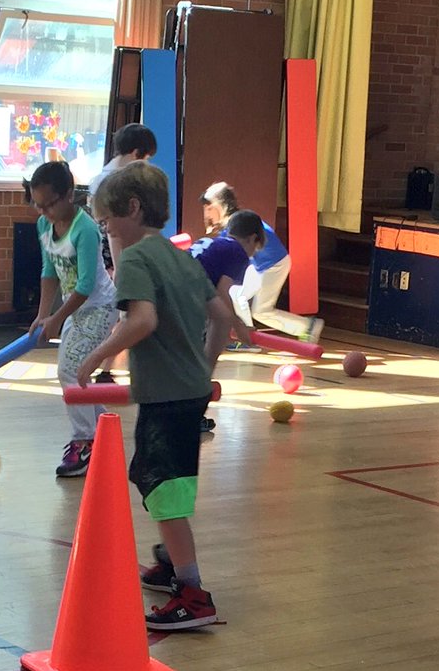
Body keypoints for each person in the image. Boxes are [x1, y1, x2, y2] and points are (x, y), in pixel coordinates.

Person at [76, 162, 233, 631]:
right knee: (152, 476)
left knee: (166, 493)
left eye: (105, 222)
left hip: (167, 398)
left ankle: (193, 593)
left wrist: (94, 361)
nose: (103, 231)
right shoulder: (181, 256)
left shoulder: (138, 260)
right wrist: (203, 369)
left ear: (132, 209)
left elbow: (141, 322)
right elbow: (222, 317)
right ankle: (170, 563)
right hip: (187, 393)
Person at [26, 159, 118, 479]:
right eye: (38, 206)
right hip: (75, 309)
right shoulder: (44, 226)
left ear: (68, 195)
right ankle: (104, 432)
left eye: (49, 204)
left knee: (71, 370)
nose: (44, 212)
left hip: (101, 307)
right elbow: (49, 271)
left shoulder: (86, 228)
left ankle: (84, 441)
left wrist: (56, 318)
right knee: (75, 372)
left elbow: (85, 285)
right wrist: (42, 315)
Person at [200, 181, 324, 344]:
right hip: (261, 265)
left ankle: (306, 327)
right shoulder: (236, 221)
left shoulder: (236, 225)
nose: (207, 214)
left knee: (261, 311)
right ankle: (246, 336)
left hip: (273, 264)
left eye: (209, 208)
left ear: (220, 206)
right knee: (238, 295)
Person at [87, 124, 157, 383]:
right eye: (147, 158)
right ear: (137, 152)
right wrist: (121, 268)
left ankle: (105, 368)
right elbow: (112, 231)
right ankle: (104, 367)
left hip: (106, 258)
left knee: (121, 315)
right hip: (113, 259)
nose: (147, 164)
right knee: (123, 315)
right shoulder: (117, 181)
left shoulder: (103, 176)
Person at [189, 210, 267, 432]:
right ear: (252, 238)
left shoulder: (214, 243)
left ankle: (190, 410)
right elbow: (223, 293)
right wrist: (239, 326)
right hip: (189, 301)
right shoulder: (237, 252)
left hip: (177, 296)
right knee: (206, 359)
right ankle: (193, 413)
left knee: (195, 357)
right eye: (255, 247)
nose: (252, 253)